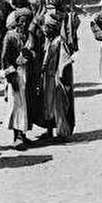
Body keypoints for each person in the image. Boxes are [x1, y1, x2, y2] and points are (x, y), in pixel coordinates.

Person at [40, 13, 75, 143]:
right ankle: (49, 131)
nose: (44, 30)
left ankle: (62, 132)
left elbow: (65, 61)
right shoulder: (48, 41)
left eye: (47, 27)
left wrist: (60, 77)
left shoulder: (59, 41)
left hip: (55, 78)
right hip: (47, 78)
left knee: (58, 105)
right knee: (48, 105)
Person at [1, 10, 33, 149]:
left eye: (26, 20)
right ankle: (17, 136)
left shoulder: (28, 35)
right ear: (17, 20)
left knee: (24, 104)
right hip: (15, 75)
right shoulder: (10, 36)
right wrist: (11, 75)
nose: (23, 23)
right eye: (21, 20)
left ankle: (23, 133)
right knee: (16, 105)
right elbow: (4, 58)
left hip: (26, 73)